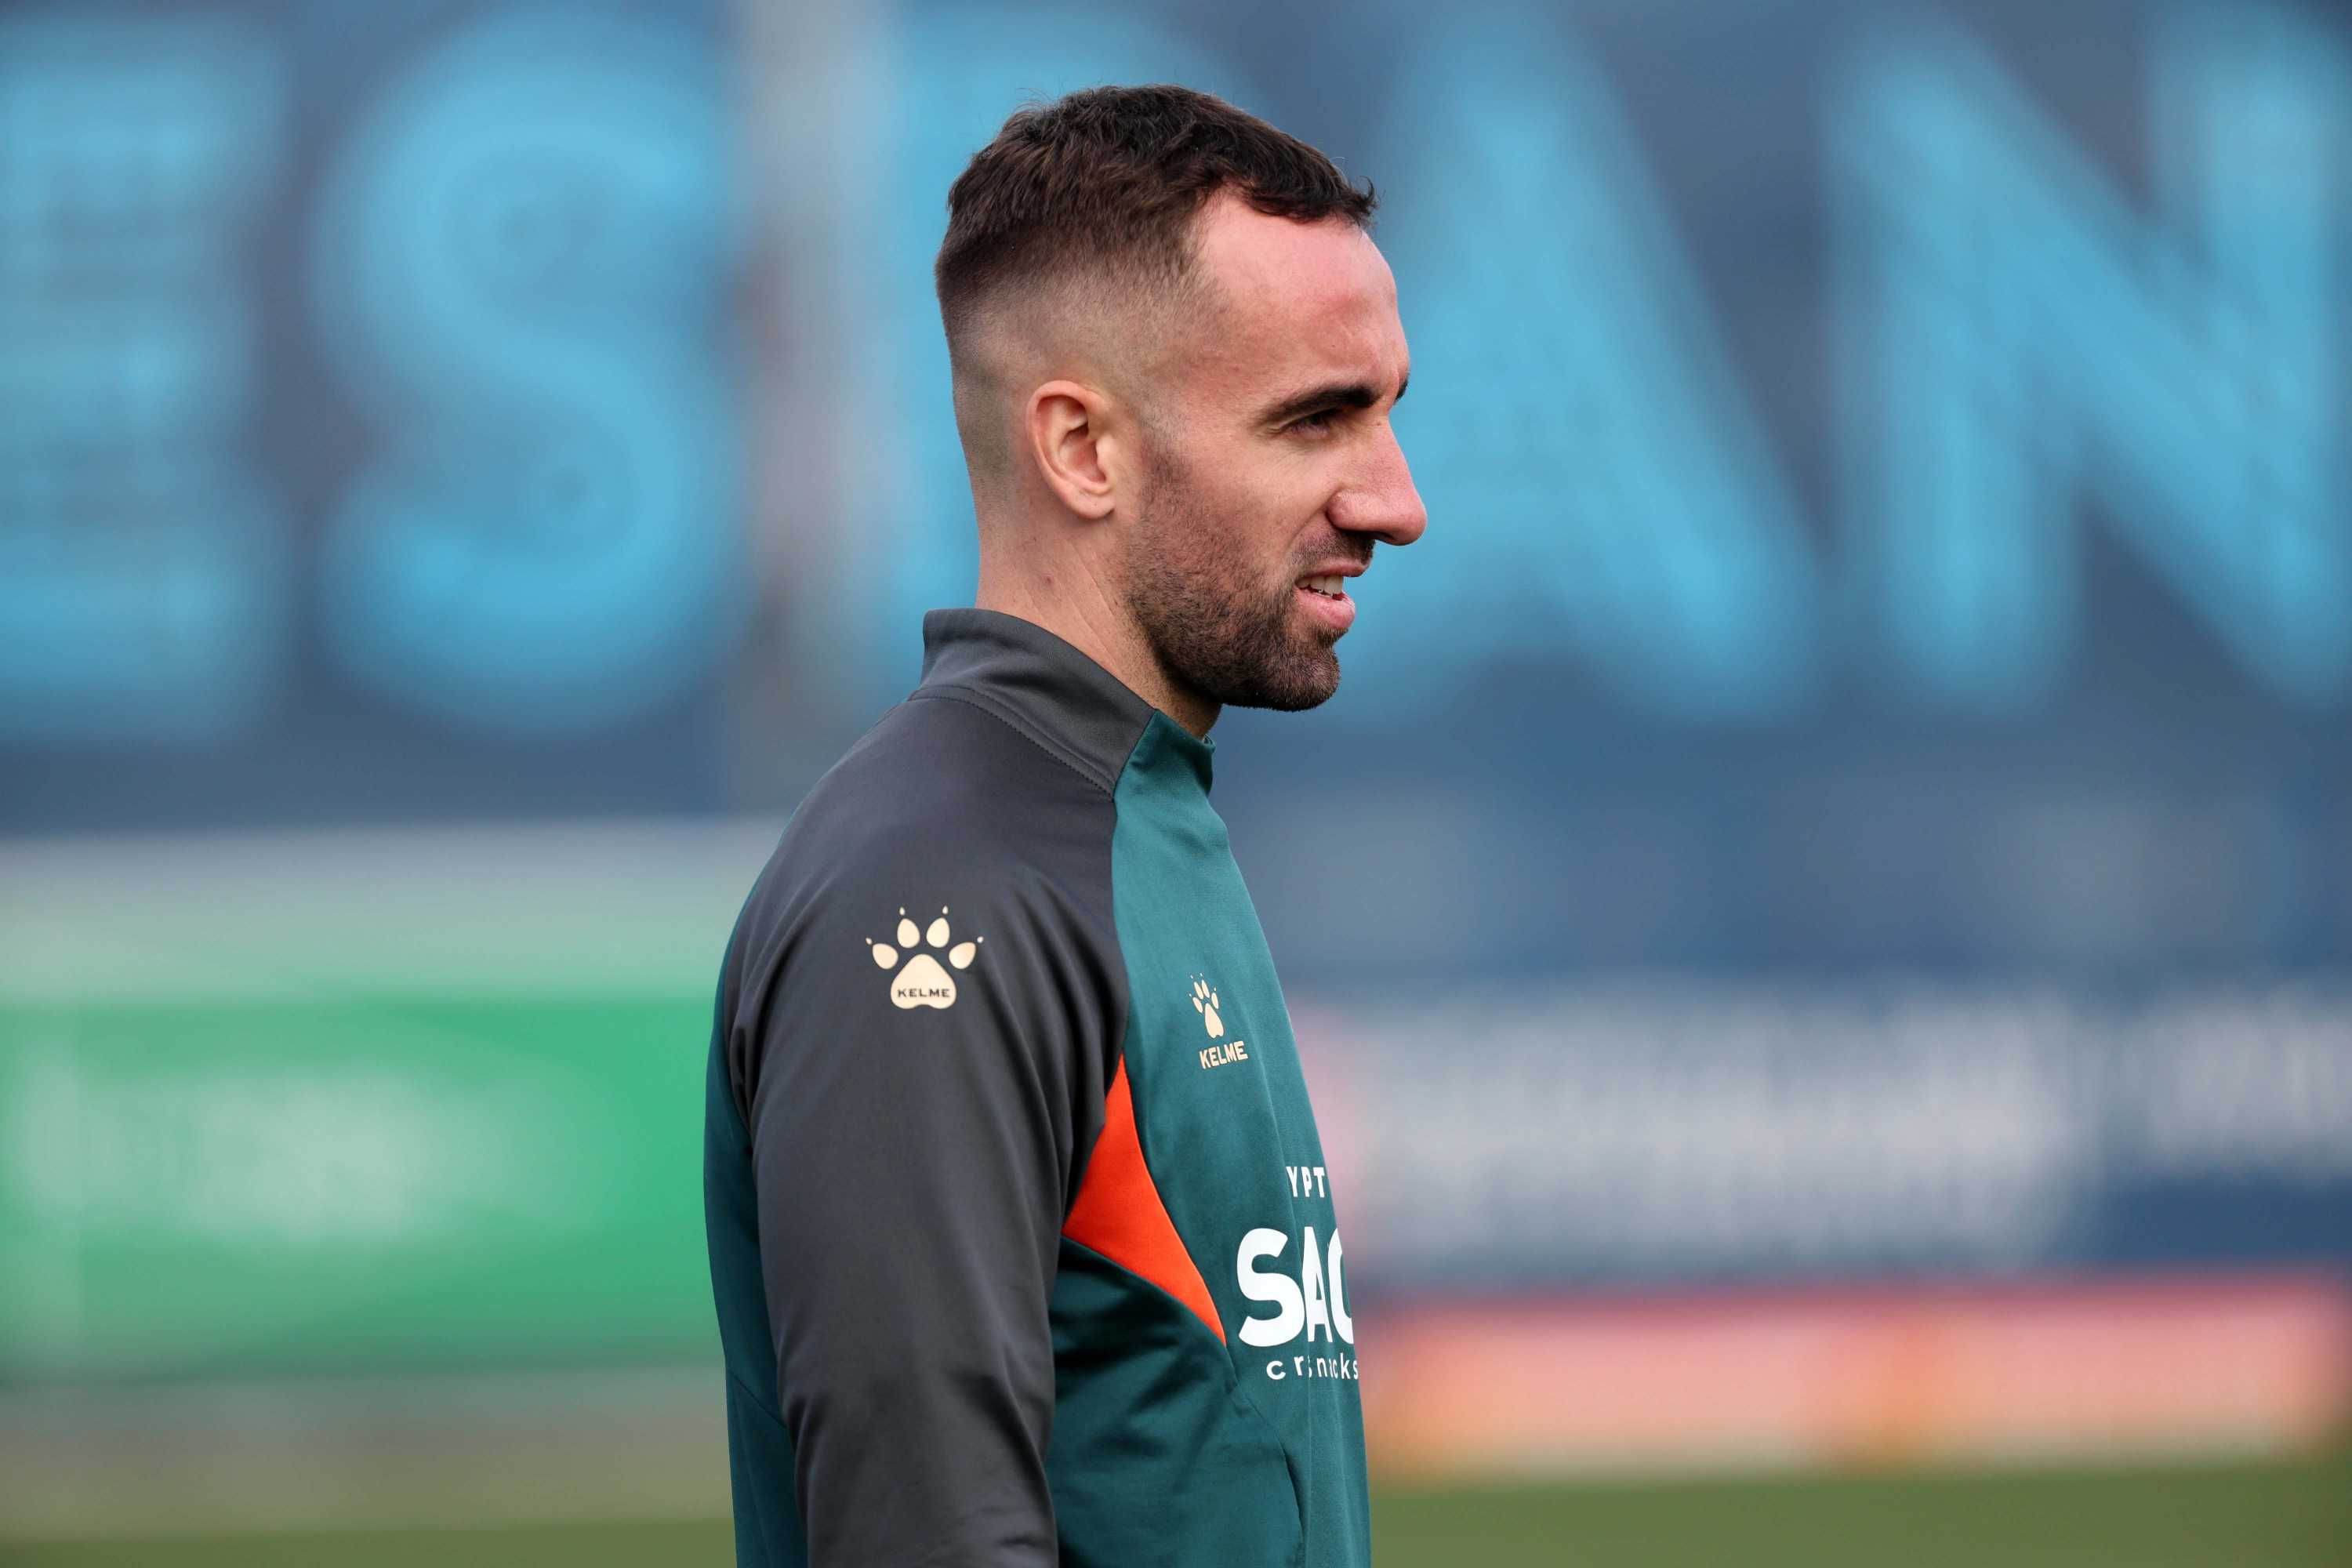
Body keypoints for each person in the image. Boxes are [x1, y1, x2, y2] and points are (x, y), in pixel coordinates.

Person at [704, 82, 1425, 1567]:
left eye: (1386, 412)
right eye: (1316, 419)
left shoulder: (1134, 820)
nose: (1395, 501)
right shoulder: (941, 888)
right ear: (1084, 449)